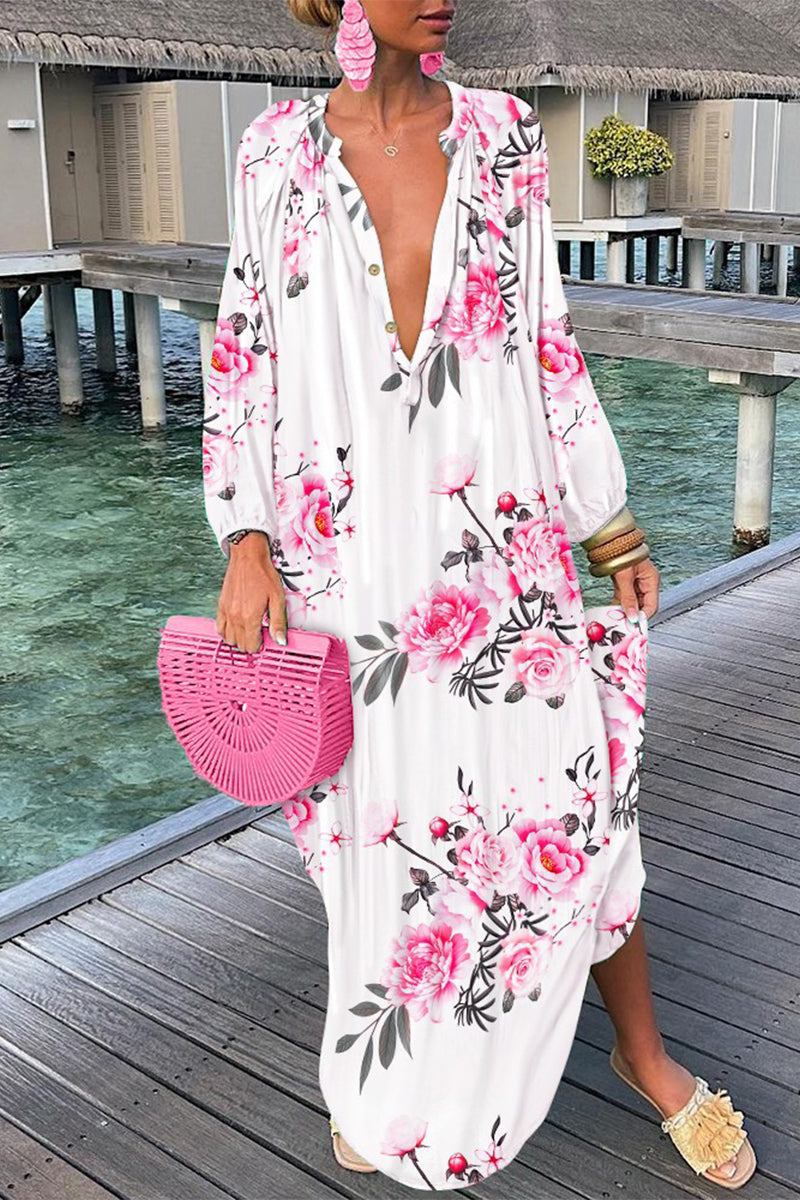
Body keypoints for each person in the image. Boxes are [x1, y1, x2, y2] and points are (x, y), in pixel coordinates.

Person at [202, 0, 755, 1190]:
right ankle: (390, 1080)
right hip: (345, 567)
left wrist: (606, 520)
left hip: (499, 545)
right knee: (387, 836)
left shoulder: (504, 135)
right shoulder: (272, 152)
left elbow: (545, 340)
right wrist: (243, 533)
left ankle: (642, 1055)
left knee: (576, 800)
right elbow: (243, 352)